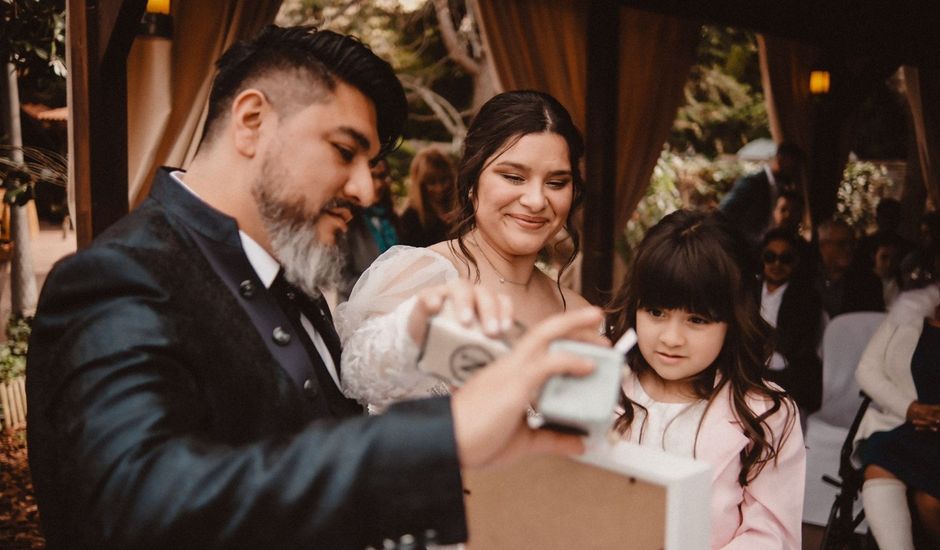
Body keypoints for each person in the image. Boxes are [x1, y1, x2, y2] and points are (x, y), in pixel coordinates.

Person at [25, 26, 605, 550]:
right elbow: (137, 508)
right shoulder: (118, 277)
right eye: (344, 151)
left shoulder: (293, 282)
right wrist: (441, 439)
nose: (365, 189)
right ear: (251, 122)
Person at [337, 90, 592, 409]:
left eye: (556, 183)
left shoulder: (577, 314)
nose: (536, 200)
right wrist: (414, 327)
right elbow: (354, 377)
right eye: (513, 177)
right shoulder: (419, 276)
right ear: (472, 181)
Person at [607, 210, 805, 549]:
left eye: (697, 320)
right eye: (656, 312)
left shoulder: (765, 412)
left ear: (733, 320)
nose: (671, 337)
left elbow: (771, 534)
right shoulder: (603, 388)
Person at [853, 252, 940, 550]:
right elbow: (866, 370)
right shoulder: (909, 312)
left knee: (929, 501)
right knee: (878, 462)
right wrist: (910, 408)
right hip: (904, 424)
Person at [758, 228, 824, 425]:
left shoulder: (806, 297)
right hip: (750, 364)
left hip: (788, 371)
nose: (777, 264)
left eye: (785, 259)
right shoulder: (748, 289)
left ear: (795, 262)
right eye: (770, 257)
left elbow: (795, 343)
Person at [337, 158, 401, 301]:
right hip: (357, 308)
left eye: (382, 176)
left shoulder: (393, 218)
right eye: (373, 176)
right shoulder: (347, 220)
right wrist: (384, 290)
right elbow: (342, 278)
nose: (378, 184)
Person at [720, 141, 805, 247]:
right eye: (794, 166)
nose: (795, 172)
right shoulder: (752, 183)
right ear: (781, 159)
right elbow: (724, 213)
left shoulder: (785, 187)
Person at [814, 218, 885, 319]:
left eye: (852, 243)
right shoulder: (807, 279)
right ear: (823, 246)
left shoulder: (868, 283)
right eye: (841, 244)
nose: (848, 249)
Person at [399, 146, 456, 247]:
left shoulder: (462, 210)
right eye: (432, 182)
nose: (440, 188)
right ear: (420, 184)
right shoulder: (410, 218)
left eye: (444, 180)